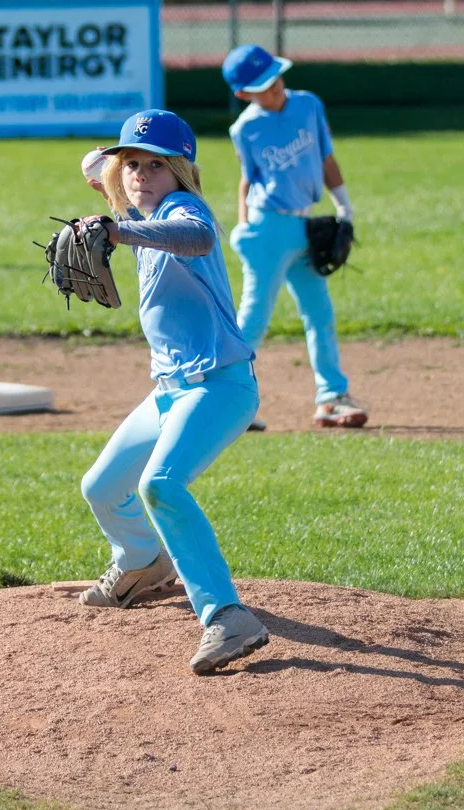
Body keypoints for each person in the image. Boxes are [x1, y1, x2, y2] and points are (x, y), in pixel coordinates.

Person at [74, 109, 269, 676]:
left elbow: (196, 237)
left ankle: (227, 614)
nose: (141, 174)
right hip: (169, 391)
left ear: (181, 170)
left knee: (159, 483)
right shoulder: (136, 205)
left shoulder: (183, 211)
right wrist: (113, 175)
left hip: (221, 385)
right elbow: (99, 167)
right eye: (133, 165)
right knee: (103, 486)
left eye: (156, 165)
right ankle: (140, 562)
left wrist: (116, 227)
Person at [222, 43, 367, 430]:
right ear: (243, 94)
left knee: (319, 313)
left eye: (276, 79)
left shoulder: (308, 105)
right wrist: (243, 224)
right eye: (263, 86)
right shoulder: (245, 128)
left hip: (305, 226)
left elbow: (326, 158)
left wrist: (345, 208)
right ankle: (222, 402)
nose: (275, 89)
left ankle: (331, 398)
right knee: (253, 319)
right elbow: (247, 180)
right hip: (268, 228)